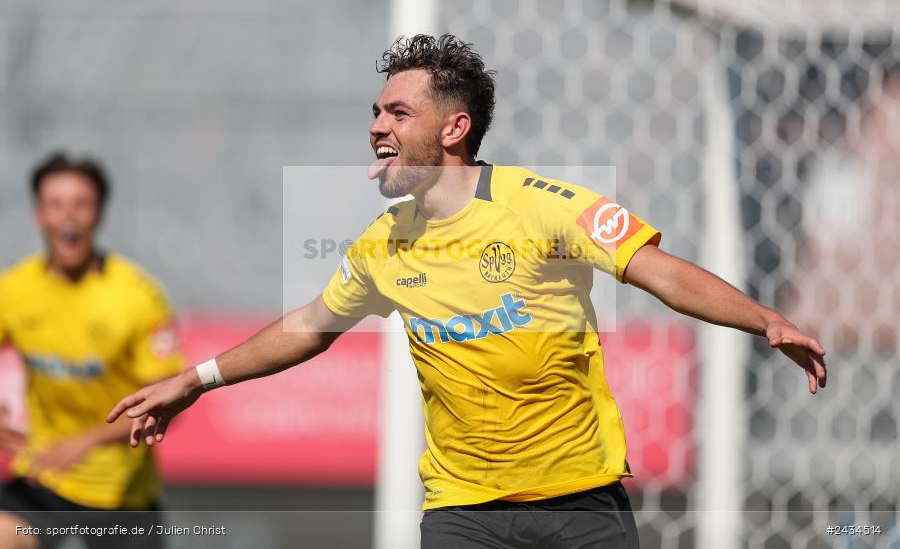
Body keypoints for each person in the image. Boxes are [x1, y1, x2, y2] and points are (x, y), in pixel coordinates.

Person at [108, 34, 826, 549]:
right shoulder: (383, 241)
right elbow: (309, 326)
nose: (375, 127)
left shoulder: (544, 204)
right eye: (376, 113)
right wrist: (196, 380)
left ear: (455, 128)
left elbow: (660, 272)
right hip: (463, 511)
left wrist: (762, 319)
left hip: (580, 505)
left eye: (396, 113)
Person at [0, 154, 183, 549]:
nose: (68, 216)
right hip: (42, 476)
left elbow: (169, 401)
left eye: (80, 204)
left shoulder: (138, 296)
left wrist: (84, 442)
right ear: (38, 215)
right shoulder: (13, 289)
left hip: (120, 494)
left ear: (98, 215)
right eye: (55, 204)